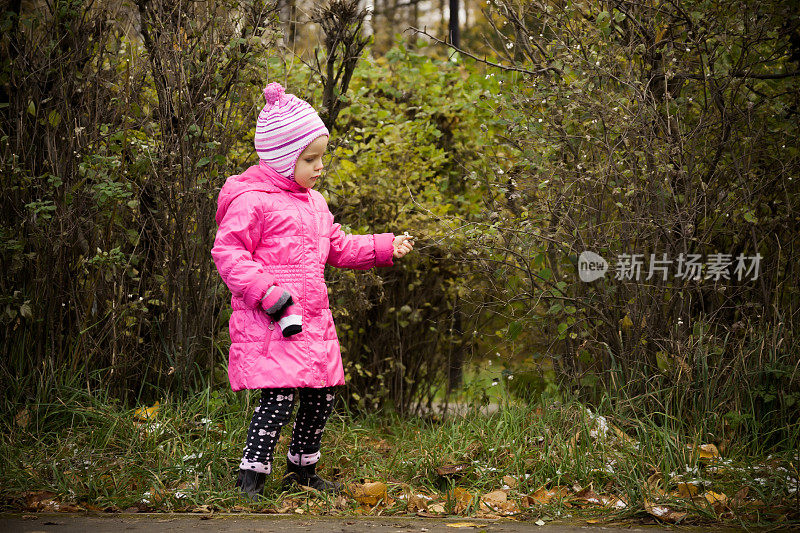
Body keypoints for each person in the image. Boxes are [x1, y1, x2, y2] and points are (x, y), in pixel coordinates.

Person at [211, 82, 414, 500]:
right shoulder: (253, 201)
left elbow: (337, 246)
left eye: (322, 156)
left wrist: (382, 246)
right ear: (283, 158)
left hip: (313, 321)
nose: (319, 166)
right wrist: (268, 295)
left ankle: (302, 472)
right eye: (310, 158)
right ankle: (251, 477)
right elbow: (228, 252)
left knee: (320, 397)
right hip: (274, 320)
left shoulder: (314, 203)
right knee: (279, 399)